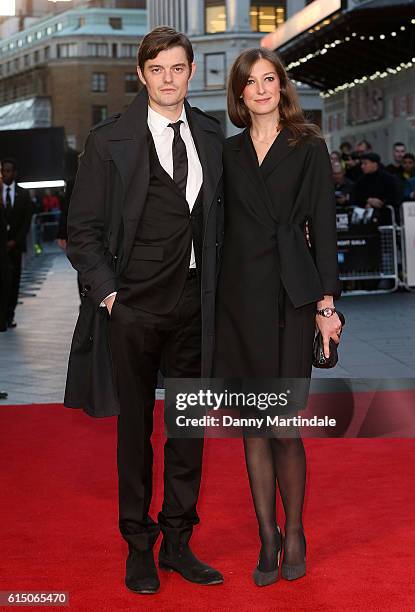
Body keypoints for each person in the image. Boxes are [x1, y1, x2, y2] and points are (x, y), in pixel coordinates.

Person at [66, 27, 224, 595]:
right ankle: (139, 545)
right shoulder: (110, 140)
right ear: (142, 74)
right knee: (135, 432)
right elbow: (80, 230)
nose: (168, 79)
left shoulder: (209, 131)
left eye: (178, 68)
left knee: (188, 429)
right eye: (157, 70)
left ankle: (179, 542)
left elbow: (222, 220)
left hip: (194, 303)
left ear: (190, 72)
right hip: (131, 306)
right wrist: (109, 293)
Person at [214, 48, 341, 586]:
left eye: (270, 79)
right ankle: (266, 536)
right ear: (239, 93)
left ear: (281, 86)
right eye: (251, 81)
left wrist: (327, 306)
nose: (262, 89)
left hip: (293, 298)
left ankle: (295, 533)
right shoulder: (227, 153)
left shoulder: (308, 146)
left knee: (284, 429)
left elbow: (325, 226)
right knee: (253, 430)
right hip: (240, 302)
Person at [1, 158, 33, 328]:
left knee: (14, 281)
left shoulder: (23, 194)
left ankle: (9, 315)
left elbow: (27, 221)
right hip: (0, 248)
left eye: (8, 171)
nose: (5, 174)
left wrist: (15, 241)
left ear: (14, 173)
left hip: (16, 246)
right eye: (3, 171)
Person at [351, 152, 398, 222]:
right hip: (367, 217)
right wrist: (368, 201)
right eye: (362, 164)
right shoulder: (361, 181)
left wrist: (381, 203)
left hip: (386, 216)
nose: (362, 166)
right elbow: (355, 196)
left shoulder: (388, 179)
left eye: (365, 164)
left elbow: (394, 196)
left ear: (375, 164)